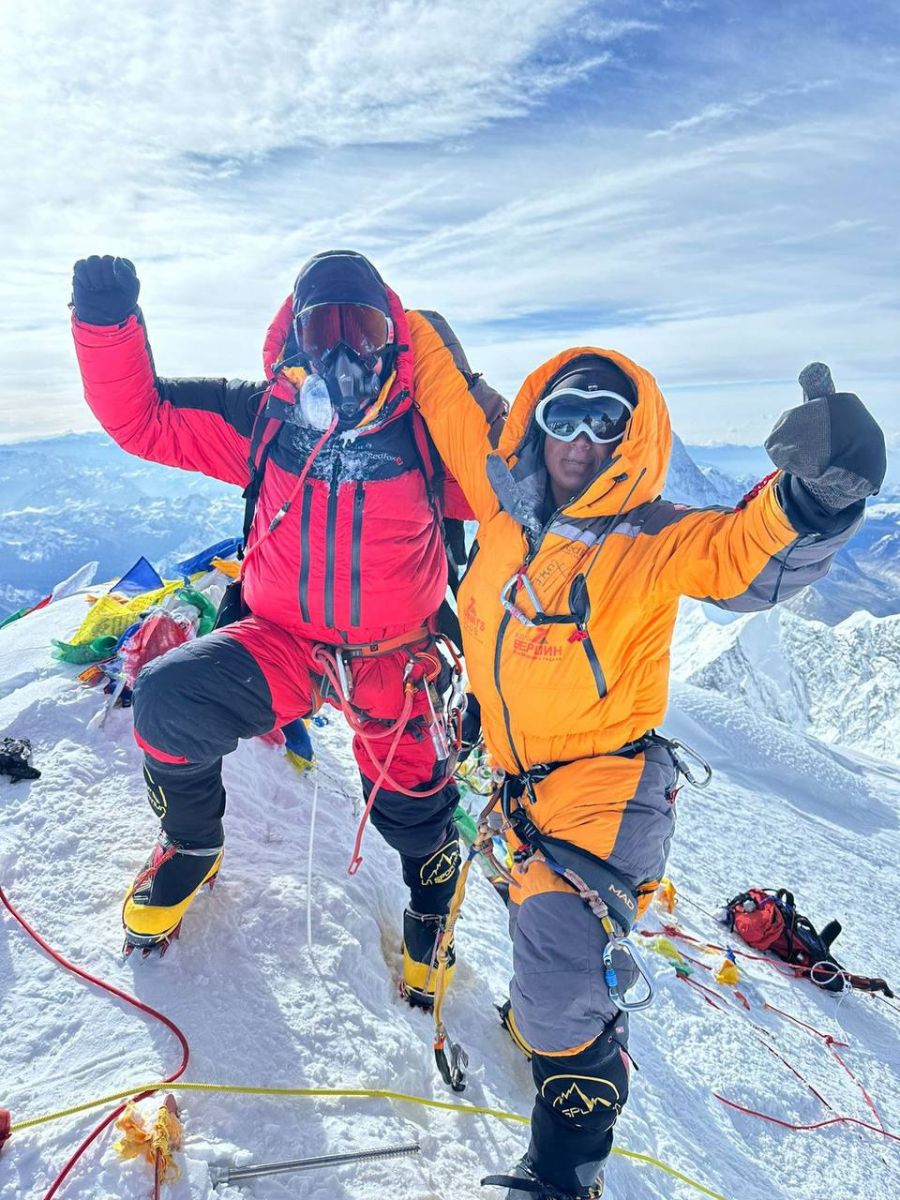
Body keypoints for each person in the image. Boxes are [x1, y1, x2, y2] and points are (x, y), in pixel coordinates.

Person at [413, 348, 885, 1198]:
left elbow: (740, 550)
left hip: (607, 789)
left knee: (557, 965)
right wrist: (372, 308)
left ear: (634, 441)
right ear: (535, 426)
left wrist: (814, 499)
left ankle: (565, 1170)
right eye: (566, 415)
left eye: (609, 422)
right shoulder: (503, 516)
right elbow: (446, 388)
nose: (584, 439)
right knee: (536, 930)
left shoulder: (649, 538)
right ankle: (549, 1020)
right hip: (519, 781)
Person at [70, 250, 506, 1008]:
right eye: (321, 329)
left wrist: (452, 381)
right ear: (295, 342)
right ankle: (193, 844)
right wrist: (107, 327)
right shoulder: (265, 418)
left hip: (392, 657)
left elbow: (522, 487)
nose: (342, 352)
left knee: (418, 807)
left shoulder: (434, 433)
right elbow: (145, 420)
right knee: (169, 700)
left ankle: (431, 911)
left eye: (362, 329)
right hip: (283, 641)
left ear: (393, 343)